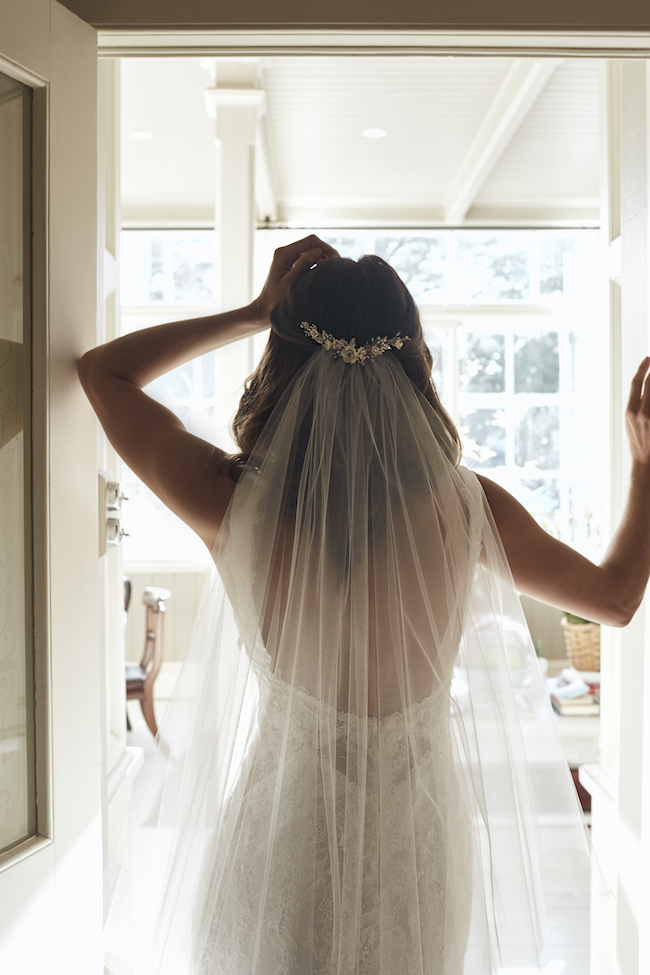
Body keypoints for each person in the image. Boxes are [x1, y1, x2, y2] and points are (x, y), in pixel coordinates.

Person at [80, 235, 650, 975]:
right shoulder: (469, 509)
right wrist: (644, 468)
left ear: (285, 358)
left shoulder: (230, 500)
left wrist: (254, 311)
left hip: (281, 836)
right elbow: (614, 597)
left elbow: (105, 372)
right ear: (413, 359)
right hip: (413, 856)